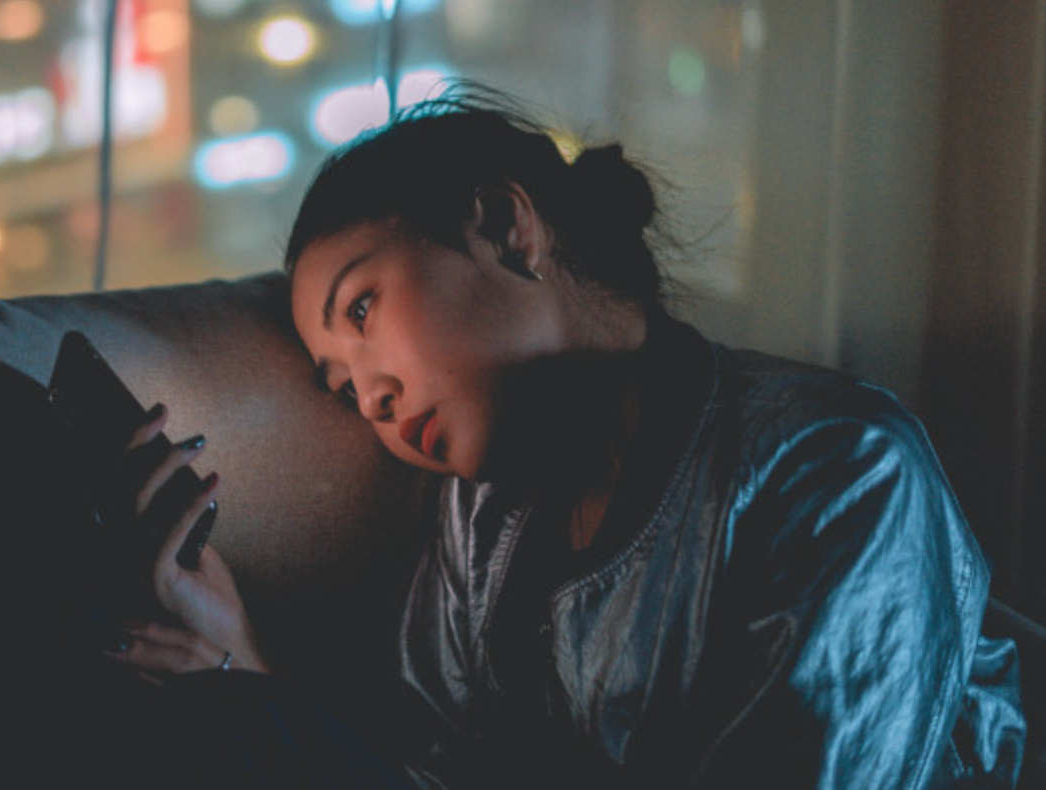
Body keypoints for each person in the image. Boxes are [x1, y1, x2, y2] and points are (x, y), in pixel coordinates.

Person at [103, 86, 1027, 788]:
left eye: (364, 306)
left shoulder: (839, 468)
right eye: (341, 388)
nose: (373, 400)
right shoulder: (480, 527)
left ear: (508, 228)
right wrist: (243, 666)